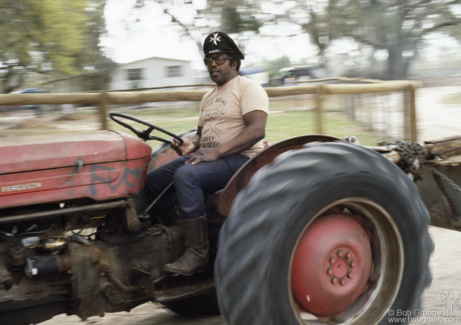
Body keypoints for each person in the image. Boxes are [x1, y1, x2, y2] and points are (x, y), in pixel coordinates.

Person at [143, 31, 269, 276]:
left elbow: (257, 130)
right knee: (153, 182)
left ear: (234, 62)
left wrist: (216, 151)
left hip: (241, 159)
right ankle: (176, 235)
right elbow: (201, 135)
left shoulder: (248, 88)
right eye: (208, 59)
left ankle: (197, 253)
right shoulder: (208, 97)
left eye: (219, 58)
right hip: (211, 156)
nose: (213, 63)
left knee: (186, 176)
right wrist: (192, 144)